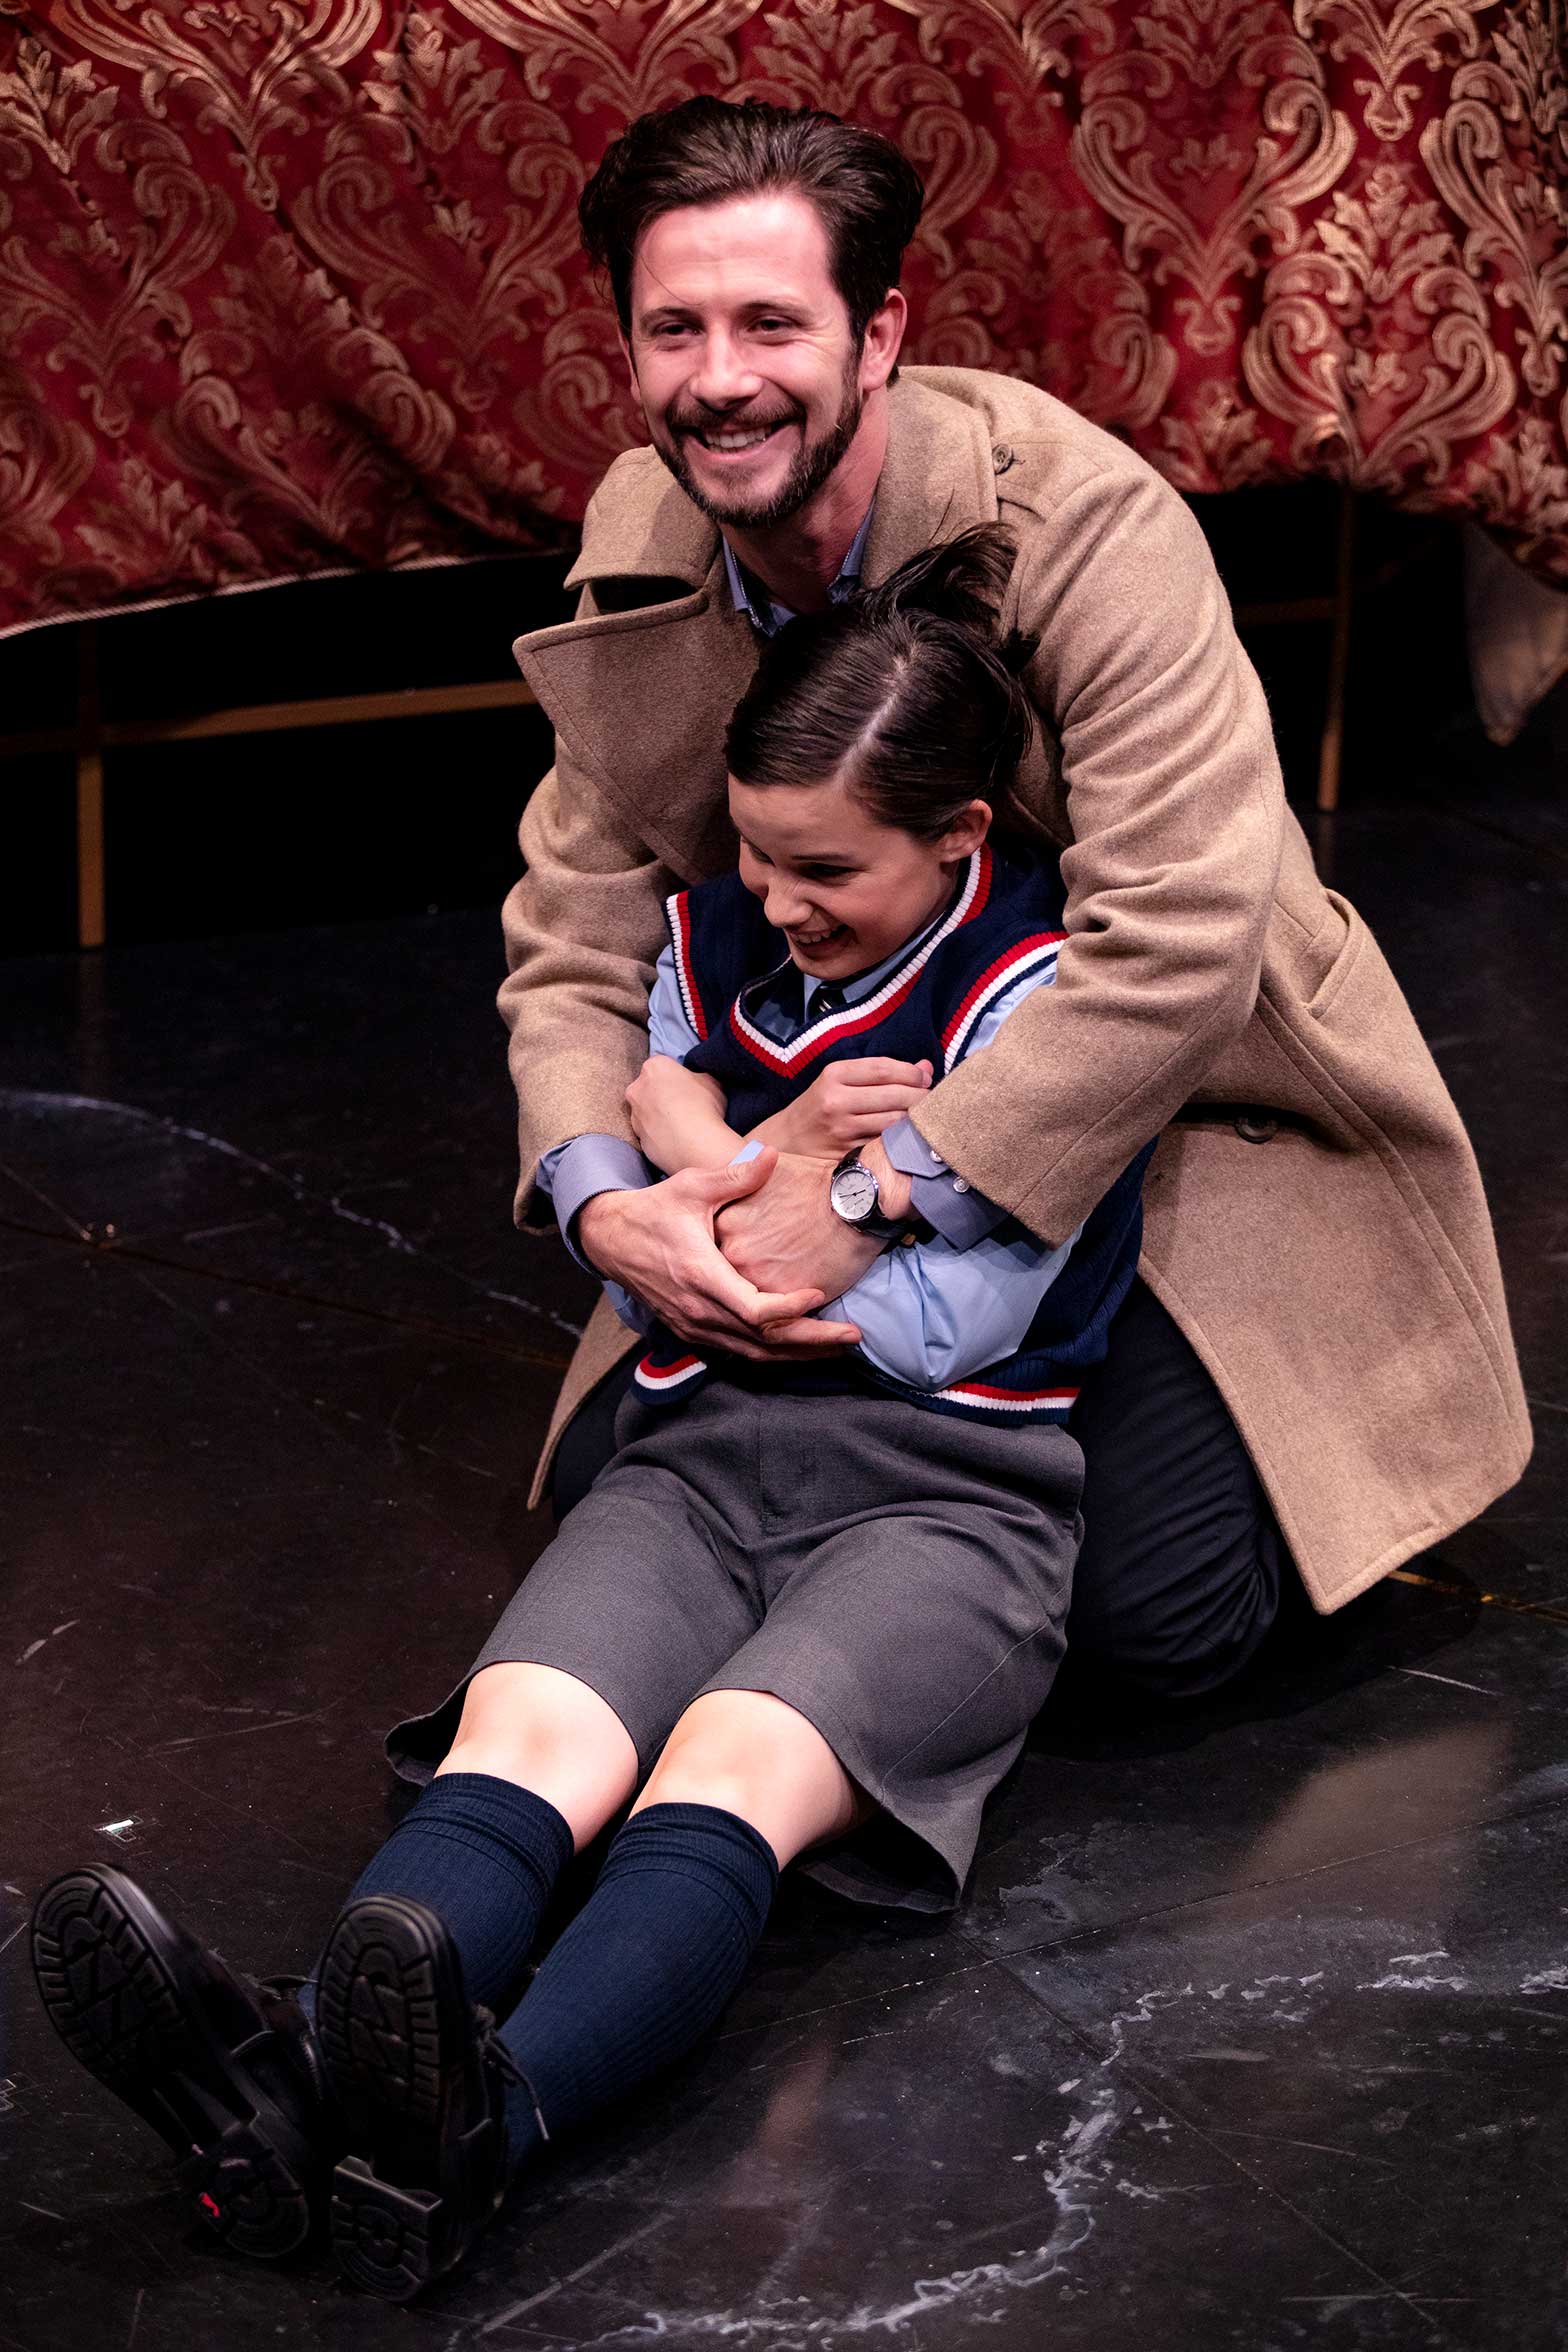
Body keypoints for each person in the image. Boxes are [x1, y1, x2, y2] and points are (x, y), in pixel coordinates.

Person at [33, 529, 1149, 2302]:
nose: (778, 901)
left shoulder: (1045, 1005)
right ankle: (299, 2075)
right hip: (694, 1461)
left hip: (951, 1501)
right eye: (760, 853)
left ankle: (488, 2124)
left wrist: (700, 1152)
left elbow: (947, 1332)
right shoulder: (714, 942)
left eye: (827, 871)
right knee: (528, 1753)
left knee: (711, 1781)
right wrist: (772, 1156)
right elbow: (647, 1264)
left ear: (963, 837)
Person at [506, 95, 1528, 1683]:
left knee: (1131, 1620)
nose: (720, 380)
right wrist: (609, 1205)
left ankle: (1314, 1426)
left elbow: (1180, 952)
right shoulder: (647, 528)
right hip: (828, 1080)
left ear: (881, 331)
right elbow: (572, 934)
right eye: (674, 329)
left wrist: (866, 1201)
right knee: (610, 1498)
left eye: (772, 322)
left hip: (1162, 1094)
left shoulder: (1085, 524)